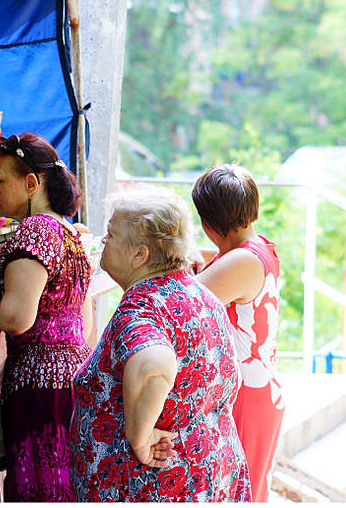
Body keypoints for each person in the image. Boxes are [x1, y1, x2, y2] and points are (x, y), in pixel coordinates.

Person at [69, 187, 252, 502]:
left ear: (139, 254)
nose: (103, 242)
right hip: (212, 474)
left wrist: (139, 438)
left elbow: (154, 366)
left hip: (157, 486)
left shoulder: (140, 308)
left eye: (111, 235)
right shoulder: (202, 297)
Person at [0, 133, 93, 501]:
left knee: (39, 489)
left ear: (31, 183)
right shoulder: (69, 231)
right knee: (63, 486)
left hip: (39, 389)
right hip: (71, 379)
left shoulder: (34, 232)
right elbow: (84, 321)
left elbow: (16, 318)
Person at [191, 164, 283, 502]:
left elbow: (178, 304)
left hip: (245, 394)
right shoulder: (258, 247)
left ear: (209, 223)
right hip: (259, 388)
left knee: (236, 496)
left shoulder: (240, 261)